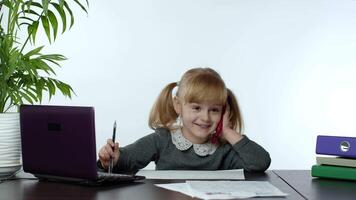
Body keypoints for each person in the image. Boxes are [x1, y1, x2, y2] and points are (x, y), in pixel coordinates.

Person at [98, 67, 271, 173]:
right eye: (196, 108)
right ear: (178, 105)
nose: (205, 117)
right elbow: (127, 161)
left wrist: (228, 132)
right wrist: (113, 158)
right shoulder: (163, 139)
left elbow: (260, 163)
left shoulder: (224, 149)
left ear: (224, 112)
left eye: (215, 110)